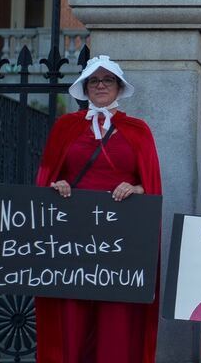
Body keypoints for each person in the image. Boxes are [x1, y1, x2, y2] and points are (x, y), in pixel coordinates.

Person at [34, 55, 162, 363]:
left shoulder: (138, 130)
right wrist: (57, 184)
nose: (101, 85)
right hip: (71, 239)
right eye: (94, 80)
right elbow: (47, 176)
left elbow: (152, 185)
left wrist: (137, 188)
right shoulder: (66, 126)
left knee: (115, 320)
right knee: (71, 318)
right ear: (85, 87)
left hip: (120, 243)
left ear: (119, 87)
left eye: (107, 80)